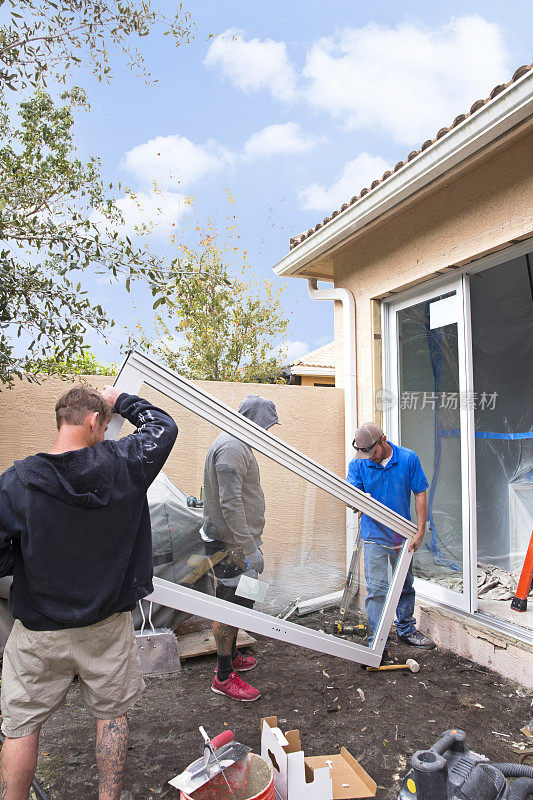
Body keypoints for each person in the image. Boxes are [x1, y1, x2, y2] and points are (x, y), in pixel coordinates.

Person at [0, 385, 178, 800]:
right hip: (106, 626)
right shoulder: (125, 463)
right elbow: (163, 426)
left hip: (39, 631)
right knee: (112, 715)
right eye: (103, 423)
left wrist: (24, 562)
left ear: (61, 420)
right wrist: (122, 401)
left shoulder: (17, 482)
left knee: (22, 724)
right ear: (94, 421)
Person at [202, 395, 279, 702]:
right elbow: (230, 504)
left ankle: (232, 654)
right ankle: (223, 676)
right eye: (265, 427)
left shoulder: (235, 440)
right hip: (231, 545)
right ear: (253, 423)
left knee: (246, 599)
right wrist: (248, 549)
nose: (267, 432)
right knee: (230, 604)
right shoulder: (233, 447)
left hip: (239, 542)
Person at [346, 422, 435, 660]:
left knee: (405, 585)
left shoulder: (408, 459)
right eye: (364, 454)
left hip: (402, 535)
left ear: (383, 440)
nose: (369, 459)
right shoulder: (359, 463)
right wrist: (354, 500)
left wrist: (419, 531)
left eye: (372, 453)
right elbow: (351, 496)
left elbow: (420, 493)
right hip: (374, 536)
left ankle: (406, 629)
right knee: (377, 590)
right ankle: (378, 642)